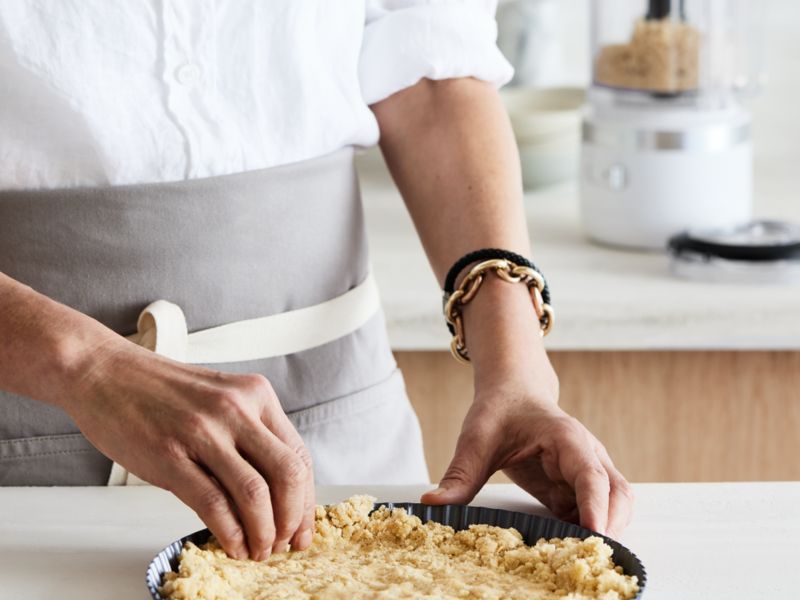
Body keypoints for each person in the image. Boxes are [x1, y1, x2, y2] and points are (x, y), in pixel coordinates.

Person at [0, 0, 633, 560]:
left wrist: (517, 369)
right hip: (26, 445)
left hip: (340, 431)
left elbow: (431, 66)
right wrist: (85, 365)